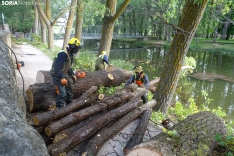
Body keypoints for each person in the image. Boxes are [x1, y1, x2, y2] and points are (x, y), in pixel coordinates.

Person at [50, 38, 81, 108]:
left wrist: (72, 74)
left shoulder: (70, 55)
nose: (77, 50)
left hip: (63, 74)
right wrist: (61, 78)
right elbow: (57, 68)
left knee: (69, 92)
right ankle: (59, 110)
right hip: (57, 75)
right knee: (63, 94)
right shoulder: (63, 54)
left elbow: (68, 67)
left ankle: (68, 108)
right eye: (77, 48)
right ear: (73, 47)